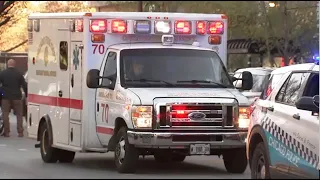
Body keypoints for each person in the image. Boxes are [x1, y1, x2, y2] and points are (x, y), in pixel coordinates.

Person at [0, 59, 27, 137]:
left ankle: (7, 132)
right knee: (19, 115)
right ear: (14, 64)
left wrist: (1, 93)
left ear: (8, 65)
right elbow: (24, 85)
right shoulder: (19, 74)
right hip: (17, 97)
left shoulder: (3, 73)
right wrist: (26, 95)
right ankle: (20, 132)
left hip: (5, 97)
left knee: (5, 114)